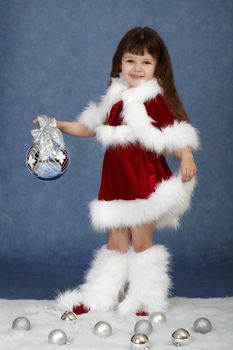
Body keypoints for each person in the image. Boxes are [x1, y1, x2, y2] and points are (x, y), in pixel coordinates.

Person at [34, 27, 200, 316]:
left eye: (146, 62)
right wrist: (57, 124)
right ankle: (100, 296)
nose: (137, 68)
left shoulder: (153, 99)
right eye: (130, 60)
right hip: (115, 184)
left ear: (157, 66)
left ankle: (146, 298)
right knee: (116, 242)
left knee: (141, 240)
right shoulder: (115, 96)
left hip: (143, 182)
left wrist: (186, 157)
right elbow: (89, 127)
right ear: (119, 63)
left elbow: (175, 134)